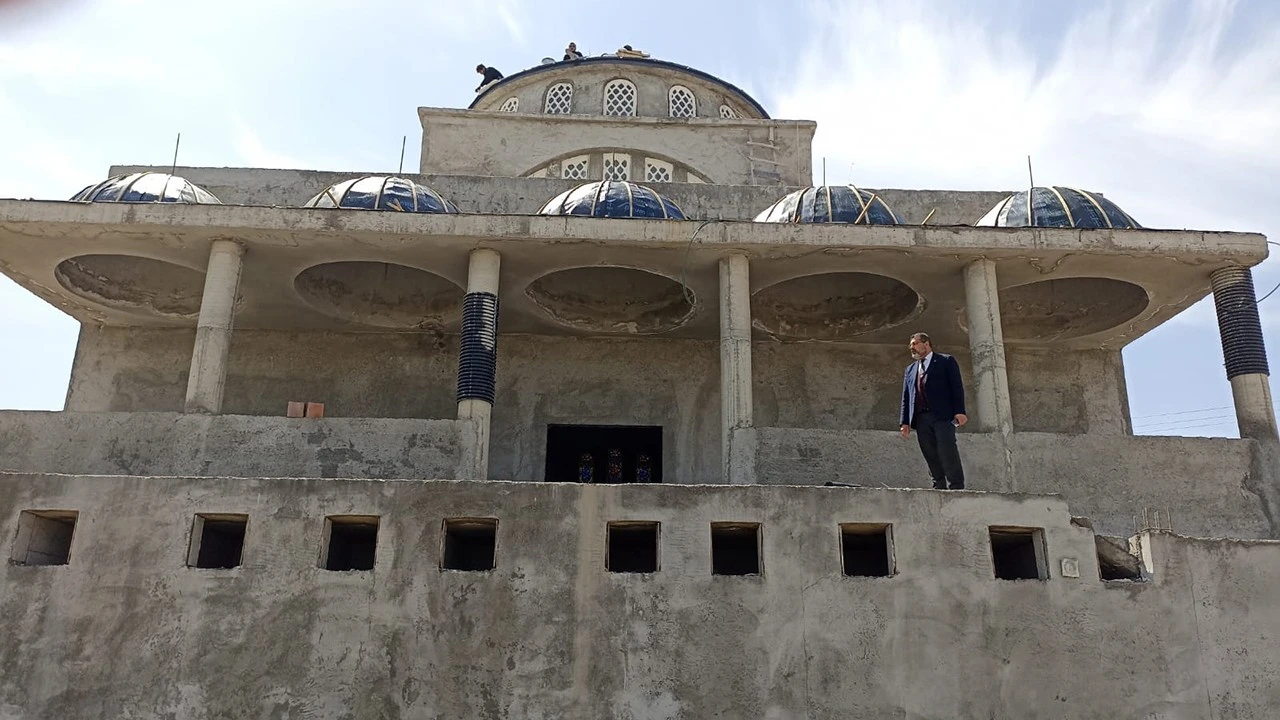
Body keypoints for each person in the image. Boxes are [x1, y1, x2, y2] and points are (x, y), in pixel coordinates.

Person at [899, 332, 968, 490]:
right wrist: (904, 422)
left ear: (926, 344)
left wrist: (960, 411)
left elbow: (956, 387)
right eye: (911, 345)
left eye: (915, 344)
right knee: (929, 451)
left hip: (942, 415)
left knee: (946, 448)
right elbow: (906, 396)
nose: (912, 348)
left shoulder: (945, 361)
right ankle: (938, 484)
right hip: (921, 418)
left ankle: (956, 485)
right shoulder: (910, 370)